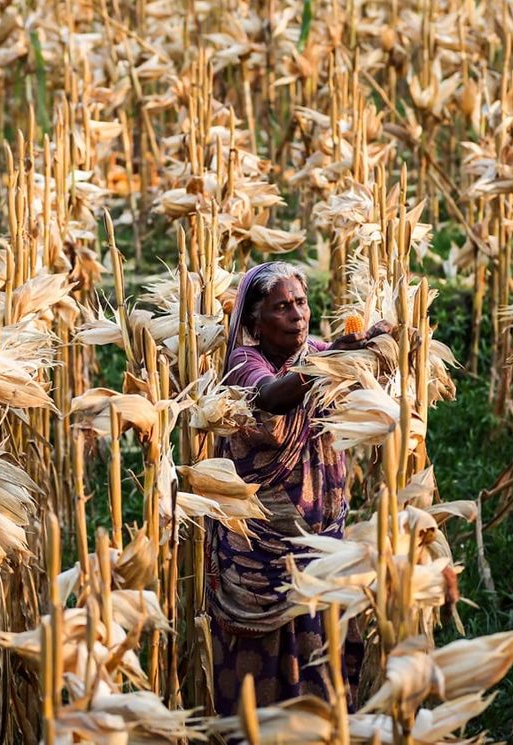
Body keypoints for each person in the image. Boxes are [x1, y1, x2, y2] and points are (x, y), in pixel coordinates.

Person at [205, 261, 390, 715]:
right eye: (281, 307)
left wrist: (379, 337)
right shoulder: (243, 363)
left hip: (320, 545)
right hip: (262, 554)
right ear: (253, 321)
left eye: (301, 303)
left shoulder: (316, 351)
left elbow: (358, 357)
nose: (297, 315)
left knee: (318, 668)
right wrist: (328, 364)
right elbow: (271, 396)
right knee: (264, 682)